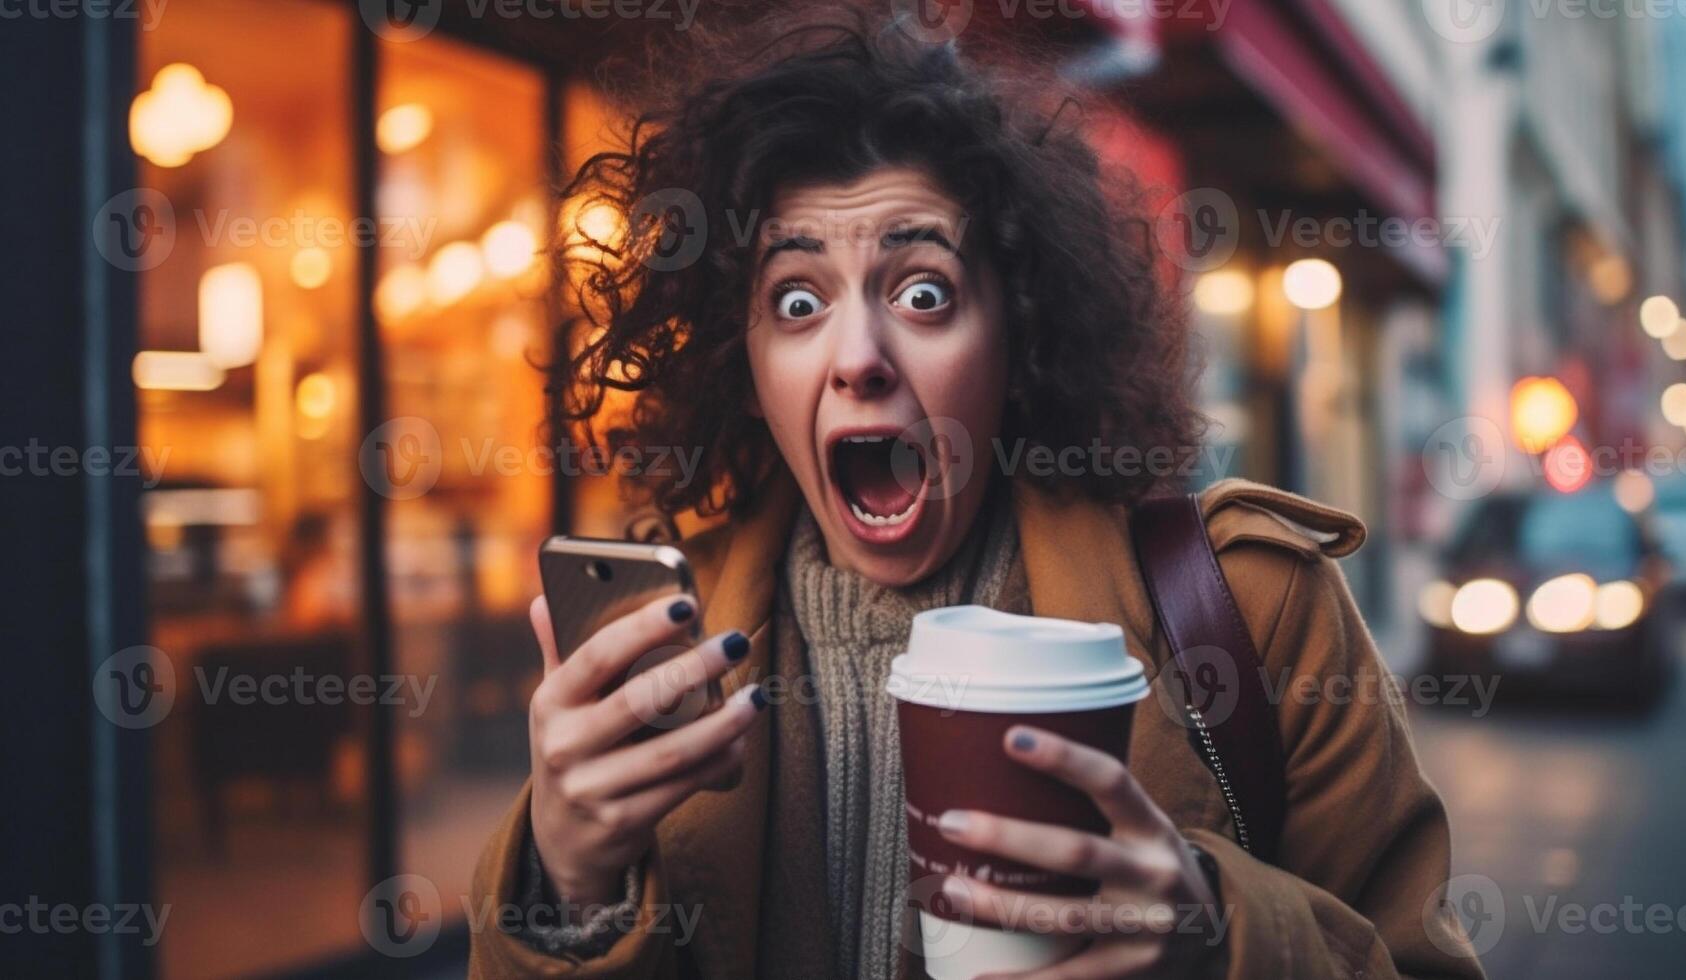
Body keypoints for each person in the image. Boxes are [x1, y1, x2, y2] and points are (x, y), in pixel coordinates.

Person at [470, 8, 1485, 979]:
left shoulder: (1252, 610)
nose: (858, 357)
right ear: (747, 363)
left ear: (1020, 331)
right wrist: (566, 884)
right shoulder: (665, 643)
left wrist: (1218, 940)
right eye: (796, 299)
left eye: (923, 292)